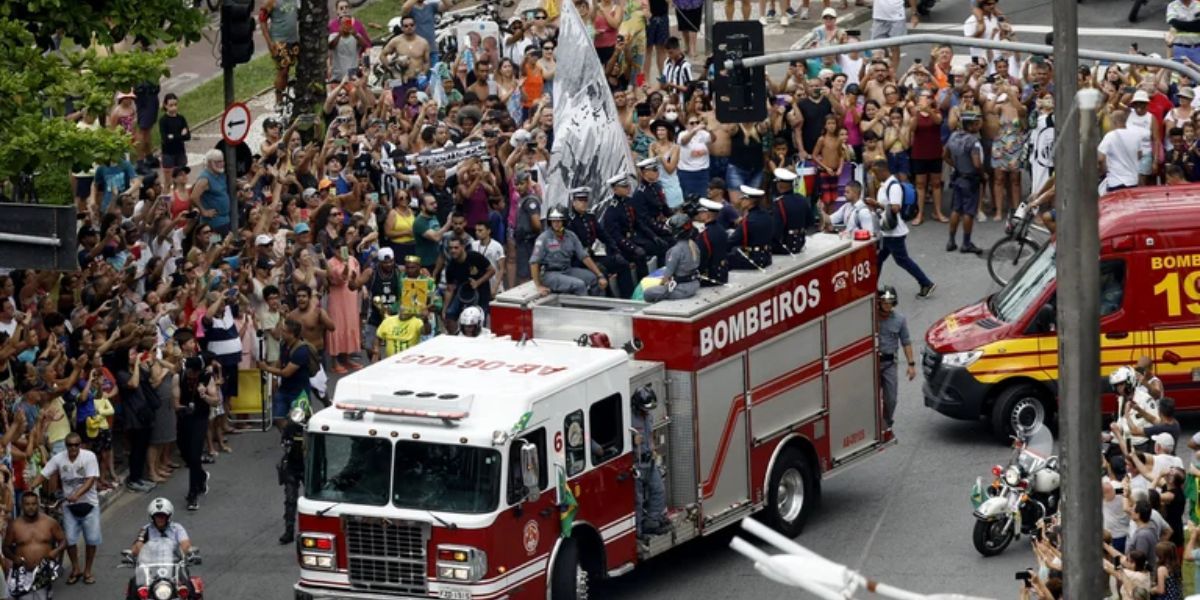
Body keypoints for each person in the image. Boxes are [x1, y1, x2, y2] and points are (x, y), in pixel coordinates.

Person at [28, 433, 98, 586]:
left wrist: (77, 494)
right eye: (70, 445)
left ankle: (87, 571)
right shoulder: (59, 458)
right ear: (66, 446)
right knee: (70, 540)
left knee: (91, 540)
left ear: (80, 445)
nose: (73, 448)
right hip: (69, 506)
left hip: (90, 505)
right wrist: (31, 487)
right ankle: (76, 569)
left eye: (76, 445)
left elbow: (91, 480)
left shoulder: (89, 457)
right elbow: (44, 473)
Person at [871, 159, 935, 298]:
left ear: (883, 171)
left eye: (876, 173)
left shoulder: (893, 187)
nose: (875, 176)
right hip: (887, 232)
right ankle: (872, 289)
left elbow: (895, 208)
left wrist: (877, 204)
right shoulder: (884, 185)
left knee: (901, 260)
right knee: (878, 259)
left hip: (894, 233)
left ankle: (926, 283)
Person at [566, 187, 634, 298]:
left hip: (592, 255)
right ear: (573, 202)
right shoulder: (570, 221)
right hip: (578, 260)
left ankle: (628, 296)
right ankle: (608, 300)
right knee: (602, 270)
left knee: (622, 264)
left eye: (585, 200)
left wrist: (615, 251)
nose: (584, 203)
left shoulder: (590, 217)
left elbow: (604, 236)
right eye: (580, 200)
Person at [531, 206, 608, 297]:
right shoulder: (544, 238)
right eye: (553, 221)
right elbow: (534, 263)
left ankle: (597, 308)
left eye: (559, 220)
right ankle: (582, 310)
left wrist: (599, 275)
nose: (556, 223)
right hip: (550, 274)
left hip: (567, 269)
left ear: (564, 221)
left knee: (594, 279)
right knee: (579, 285)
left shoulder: (571, 236)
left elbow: (584, 256)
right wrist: (538, 286)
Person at [3, 492, 65, 600]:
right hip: (23, 572)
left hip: (43, 572)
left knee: (44, 597)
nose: (31, 507)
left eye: (34, 504)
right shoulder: (14, 525)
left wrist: (56, 551)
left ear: (38, 504)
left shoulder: (50, 522)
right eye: (27, 504)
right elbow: (5, 548)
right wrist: (14, 558)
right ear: (22, 505)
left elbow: (63, 540)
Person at [258, 319, 316, 431]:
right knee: (278, 419)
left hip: (299, 393)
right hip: (284, 390)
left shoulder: (301, 351)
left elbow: (286, 373)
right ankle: (288, 438)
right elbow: (280, 361)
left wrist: (267, 368)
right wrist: (273, 376)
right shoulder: (284, 344)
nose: (281, 333)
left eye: (284, 331)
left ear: (292, 334)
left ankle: (299, 442)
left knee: (298, 423)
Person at [631, 385, 669, 539]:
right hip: (637, 465)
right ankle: (638, 532)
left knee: (658, 490)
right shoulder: (628, 418)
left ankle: (652, 521)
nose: (647, 411)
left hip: (649, 462)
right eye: (645, 408)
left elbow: (650, 434)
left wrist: (653, 450)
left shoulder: (648, 416)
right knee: (638, 501)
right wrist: (632, 441)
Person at [944, 110, 985, 254]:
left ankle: (951, 241)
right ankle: (966, 243)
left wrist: (956, 166)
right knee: (969, 212)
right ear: (971, 125)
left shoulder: (953, 136)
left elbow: (945, 155)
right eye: (976, 123)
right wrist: (982, 175)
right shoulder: (973, 141)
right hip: (970, 179)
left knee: (956, 209)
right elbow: (977, 164)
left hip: (958, 177)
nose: (978, 125)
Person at [601, 173, 654, 282]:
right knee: (639, 255)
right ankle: (641, 284)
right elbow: (616, 237)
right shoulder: (612, 211)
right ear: (615, 190)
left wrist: (653, 236)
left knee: (656, 246)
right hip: (620, 247)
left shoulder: (628, 202)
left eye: (628, 185)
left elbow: (637, 223)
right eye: (624, 187)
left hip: (631, 239)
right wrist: (633, 248)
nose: (628, 188)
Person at [876, 286, 914, 429]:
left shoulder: (899, 320)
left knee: (891, 398)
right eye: (884, 302)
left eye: (890, 302)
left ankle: (886, 422)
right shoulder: (871, 318)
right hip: (872, 364)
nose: (887, 305)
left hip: (889, 364)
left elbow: (906, 342)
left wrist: (911, 364)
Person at [442, 238, 495, 334]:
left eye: (456, 247)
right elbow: (450, 289)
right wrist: (445, 309)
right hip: (463, 292)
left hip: (481, 292)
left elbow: (491, 270)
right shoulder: (450, 266)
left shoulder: (475, 257)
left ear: (462, 247)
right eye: (451, 248)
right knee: (449, 314)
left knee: (477, 320)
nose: (453, 250)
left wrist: (478, 282)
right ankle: (455, 337)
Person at [643, 214, 701, 302]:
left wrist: (660, 285)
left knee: (647, 293)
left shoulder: (675, 251)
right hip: (695, 284)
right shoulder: (694, 245)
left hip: (681, 289)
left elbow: (667, 276)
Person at [277, 392, 309, 544]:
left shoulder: (313, 426)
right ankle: (289, 531)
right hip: (292, 466)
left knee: (312, 501)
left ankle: (313, 530)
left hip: (309, 468)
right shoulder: (289, 427)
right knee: (290, 500)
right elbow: (284, 444)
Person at [260, 0, 300, 108]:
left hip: (294, 40)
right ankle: (278, 100)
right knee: (283, 70)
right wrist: (269, 42)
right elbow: (262, 19)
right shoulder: (271, 1)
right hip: (279, 41)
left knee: (292, 69)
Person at [770, 168, 816, 254]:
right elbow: (810, 222)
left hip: (784, 246)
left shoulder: (779, 203)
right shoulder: (802, 199)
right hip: (800, 243)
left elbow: (776, 231)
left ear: (779, 185)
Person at [727, 186, 774, 270]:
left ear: (750, 201)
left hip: (753, 259)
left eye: (743, 198)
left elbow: (732, 242)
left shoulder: (748, 221)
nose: (740, 201)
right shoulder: (767, 215)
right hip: (767, 257)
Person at [189, 150, 231, 237]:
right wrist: (204, 211)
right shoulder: (205, 178)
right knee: (215, 245)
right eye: (218, 162)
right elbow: (193, 197)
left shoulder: (220, 174)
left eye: (222, 161)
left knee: (224, 246)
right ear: (209, 163)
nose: (222, 164)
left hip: (225, 221)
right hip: (214, 224)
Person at [692, 198, 730, 286]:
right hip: (722, 273)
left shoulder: (705, 234)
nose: (699, 214)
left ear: (707, 214)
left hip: (709, 277)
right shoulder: (721, 229)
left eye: (702, 212)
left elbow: (700, 258)